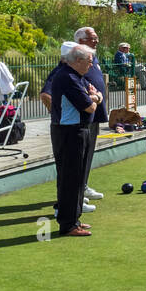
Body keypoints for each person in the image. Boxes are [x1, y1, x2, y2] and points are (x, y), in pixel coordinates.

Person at [41, 27, 107, 210]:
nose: (96, 41)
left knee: (83, 162)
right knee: (71, 169)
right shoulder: (64, 73)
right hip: (71, 127)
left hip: (86, 122)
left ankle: (79, 194)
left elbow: (92, 96)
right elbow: (46, 95)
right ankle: (69, 206)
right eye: (92, 39)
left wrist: (95, 98)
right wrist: (59, 114)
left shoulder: (80, 71)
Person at [50, 44, 98, 237]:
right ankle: (68, 224)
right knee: (70, 179)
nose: (91, 65)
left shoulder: (76, 76)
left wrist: (93, 95)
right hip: (69, 132)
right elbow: (89, 107)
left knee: (77, 178)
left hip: (78, 131)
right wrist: (97, 97)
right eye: (89, 62)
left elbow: (90, 96)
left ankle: (74, 219)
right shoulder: (67, 77)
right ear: (77, 61)